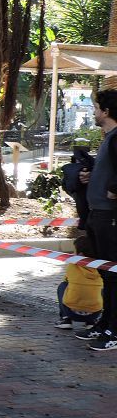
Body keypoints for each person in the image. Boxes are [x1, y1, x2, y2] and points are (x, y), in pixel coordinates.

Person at [79, 90, 117, 351]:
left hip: (110, 216)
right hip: (97, 214)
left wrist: (114, 188)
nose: (93, 112)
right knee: (105, 274)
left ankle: (114, 329)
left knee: (114, 275)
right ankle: (105, 322)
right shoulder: (109, 138)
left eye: (95, 108)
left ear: (106, 111)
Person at [57, 235, 103, 331]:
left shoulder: (72, 265)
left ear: (80, 254)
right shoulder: (102, 267)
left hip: (71, 311)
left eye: (74, 251)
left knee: (63, 285)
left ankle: (66, 319)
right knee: (101, 289)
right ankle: (91, 322)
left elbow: (66, 280)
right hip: (94, 313)